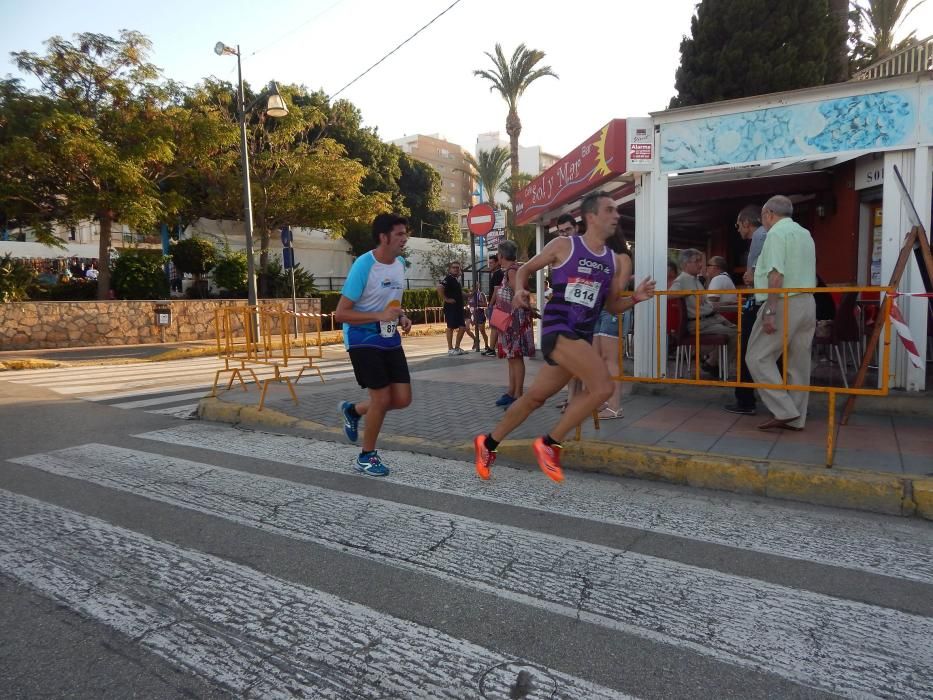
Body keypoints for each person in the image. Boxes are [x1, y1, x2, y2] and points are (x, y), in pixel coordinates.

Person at [473, 191, 655, 483]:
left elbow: (610, 306)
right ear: (591, 216)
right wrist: (521, 289)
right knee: (602, 386)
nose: (616, 216)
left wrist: (636, 298)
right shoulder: (564, 245)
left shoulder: (612, 261)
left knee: (535, 398)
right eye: (610, 210)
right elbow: (526, 269)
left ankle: (488, 443)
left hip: (579, 338)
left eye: (616, 211)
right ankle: (550, 443)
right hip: (558, 329)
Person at [335, 213, 413, 477]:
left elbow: (391, 304)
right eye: (399, 234)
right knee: (380, 398)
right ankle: (366, 456)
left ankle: (353, 411)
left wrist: (401, 316)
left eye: (405, 233)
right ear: (383, 237)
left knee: (401, 399)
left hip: (388, 337)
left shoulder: (400, 263)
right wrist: (379, 316)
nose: (405, 238)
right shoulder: (363, 265)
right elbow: (341, 313)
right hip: (361, 338)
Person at [746, 195, 816, 431]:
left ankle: (784, 409)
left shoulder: (775, 234)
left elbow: (776, 275)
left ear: (769, 214)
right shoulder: (805, 233)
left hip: (785, 301)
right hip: (807, 301)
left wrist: (770, 311)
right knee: (799, 362)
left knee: (757, 356)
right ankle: (796, 418)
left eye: (763, 217)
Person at [725, 204, 768, 415]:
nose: (738, 230)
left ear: (746, 223)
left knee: (748, 349)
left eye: (738, 225)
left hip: (760, 301)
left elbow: (762, 268)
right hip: (771, 300)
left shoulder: (761, 236)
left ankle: (745, 400)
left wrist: (751, 275)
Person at [670, 248, 737, 377]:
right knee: (735, 333)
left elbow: (706, 304)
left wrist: (723, 304)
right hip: (699, 323)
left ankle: (713, 363)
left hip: (711, 319)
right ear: (685, 264)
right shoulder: (682, 280)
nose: (701, 264)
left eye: (700, 261)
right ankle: (717, 367)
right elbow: (668, 295)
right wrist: (689, 293)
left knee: (737, 330)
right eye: (697, 261)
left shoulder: (696, 280)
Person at [491, 240, 534, 408]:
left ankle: (518, 395)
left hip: (514, 322)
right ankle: (511, 392)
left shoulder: (512, 271)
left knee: (516, 358)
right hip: (510, 321)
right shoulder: (512, 270)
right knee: (512, 358)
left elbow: (518, 293)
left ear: (501, 256)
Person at [437, 261, 467, 356]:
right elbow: (440, 287)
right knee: (450, 327)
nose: (456, 269)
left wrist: (469, 294)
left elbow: (459, 293)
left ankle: (457, 347)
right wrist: (446, 299)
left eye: (457, 267)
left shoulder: (456, 280)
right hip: (451, 308)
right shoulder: (448, 279)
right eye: (454, 267)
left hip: (458, 307)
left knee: (462, 327)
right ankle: (450, 348)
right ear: (450, 269)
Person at [484, 254, 504, 356]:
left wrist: (490, 305)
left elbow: (496, 291)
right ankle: (494, 348)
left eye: (492, 263)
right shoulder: (497, 273)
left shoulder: (497, 274)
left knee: (494, 327)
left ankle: (491, 349)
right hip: (498, 304)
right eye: (489, 263)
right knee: (495, 327)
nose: (490, 264)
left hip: (496, 304)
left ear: (497, 263)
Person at [467, 287, 491, 353]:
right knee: (467, 328)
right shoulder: (470, 295)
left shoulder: (481, 294)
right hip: (472, 314)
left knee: (482, 331)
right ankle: (476, 340)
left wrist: (477, 303)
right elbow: (468, 304)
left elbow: (485, 304)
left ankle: (486, 345)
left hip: (480, 314)